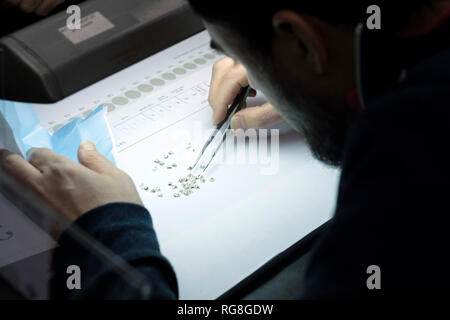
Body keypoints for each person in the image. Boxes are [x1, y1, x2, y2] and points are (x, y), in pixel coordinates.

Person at [1, 0, 450, 299]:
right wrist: (318, 78)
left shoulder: (407, 157)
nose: (243, 73)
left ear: (301, 41)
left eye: (236, 52)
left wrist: (108, 240)